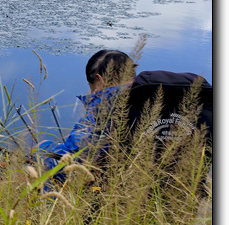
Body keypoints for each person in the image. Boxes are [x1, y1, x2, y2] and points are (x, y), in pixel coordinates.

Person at [36, 49, 212, 183]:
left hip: (127, 197)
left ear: (100, 79)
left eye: (92, 89)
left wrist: (41, 150)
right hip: (186, 193)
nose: (93, 94)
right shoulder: (194, 100)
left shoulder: (107, 105)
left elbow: (74, 158)